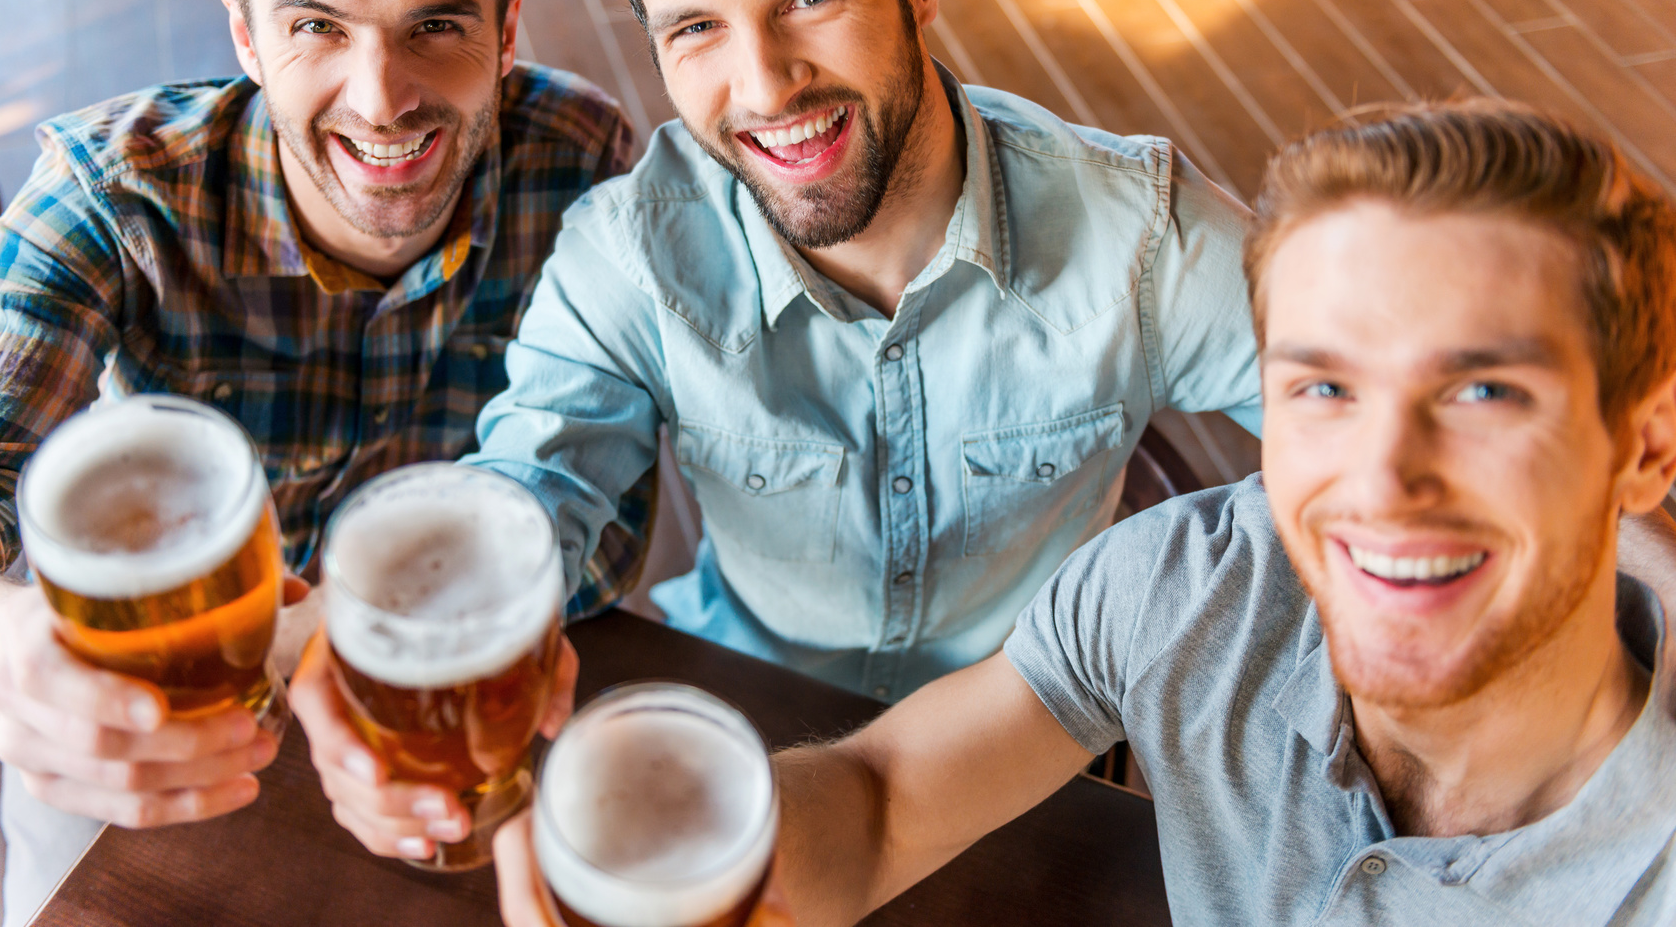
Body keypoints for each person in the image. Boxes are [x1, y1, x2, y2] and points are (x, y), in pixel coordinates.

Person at [288, 0, 1266, 864]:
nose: (760, 86)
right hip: (735, 732)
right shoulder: (629, 257)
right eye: (695, 27)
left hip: (1029, 760)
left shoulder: (1140, 231)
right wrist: (405, 653)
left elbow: (1379, 433)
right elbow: (533, 492)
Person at [519, 100, 1676, 927]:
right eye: (1324, 387)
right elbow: (883, 803)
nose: (1382, 476)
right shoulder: (1187, 585)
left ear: (1645, 446)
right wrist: (702, 855)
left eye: (1482, 392)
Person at [0, 0, 637, 919]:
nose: (382, 97)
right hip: (164, 703)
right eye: (317, 28)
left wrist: (383, 637)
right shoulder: (109, 195)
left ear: (509, 24)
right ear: (244, 35)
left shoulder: (584, 162)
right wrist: (4, 638)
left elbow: (610, 527)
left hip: (468, 699)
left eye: (436, 25)